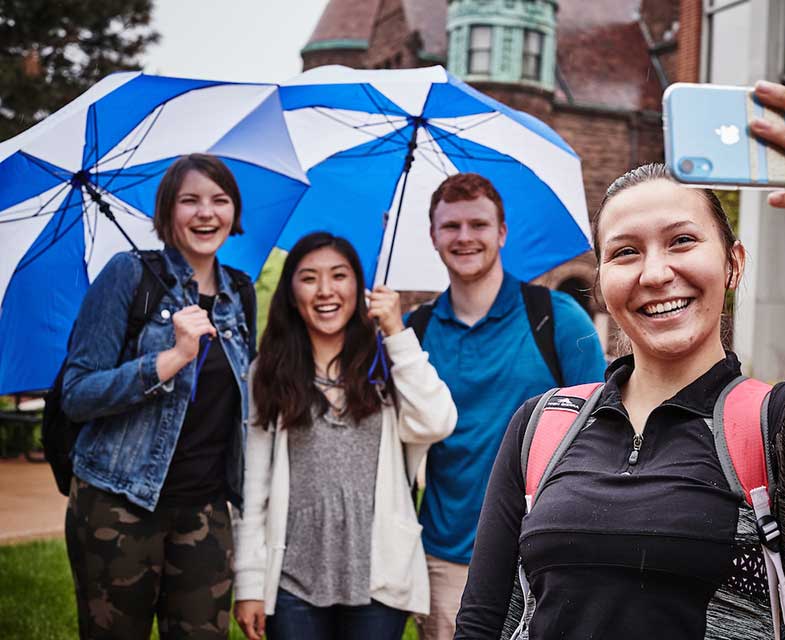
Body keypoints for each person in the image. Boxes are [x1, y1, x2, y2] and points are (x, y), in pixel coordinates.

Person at [454, 73, 785, 639]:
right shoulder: (540, 425)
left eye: (682, 241)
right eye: (626, 252)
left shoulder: (779, 432)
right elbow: (484, 618)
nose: (656, 273)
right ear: (603, 282)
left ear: (732, 264)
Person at [61, 153, 256, 639]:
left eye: (220, 200)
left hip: (206, 508)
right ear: (168, 211)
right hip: (118, 503)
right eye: (189, 200)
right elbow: (77, 393)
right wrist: (169, 359)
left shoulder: (241, 292)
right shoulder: (128, 275)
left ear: (234, 212)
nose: (206, 213)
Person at [411, 173, 608, 640]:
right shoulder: (414, 332)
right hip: (446, 558)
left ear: (501, 232)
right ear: (433, 237)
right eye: (450, 226)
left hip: (546, 555)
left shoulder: (556, 318)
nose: (464, 237)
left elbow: (604, 432)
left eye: (478, 224)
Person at [232, 232, 457, 640]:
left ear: (358, 286)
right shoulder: (268, 373)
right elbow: (255, 489)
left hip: (377, 578)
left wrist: (395, 330)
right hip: (292, 580)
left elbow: (437, 420)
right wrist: (249, 584)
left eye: (339, 276)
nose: (325, 291)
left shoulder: (385, 364)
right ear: (290, 291)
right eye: (309, 278)